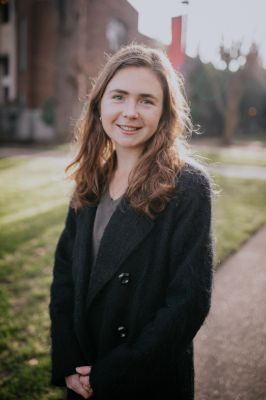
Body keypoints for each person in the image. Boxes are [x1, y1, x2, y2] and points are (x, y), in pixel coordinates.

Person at [49, 43, 214, 400]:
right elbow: (65, 276)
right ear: (99, 106)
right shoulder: (90, 179)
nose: (130, 112)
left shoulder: (187, 186)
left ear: (165, 112)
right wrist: (67, 360)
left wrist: (114, 372)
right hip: (82, 371)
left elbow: (188, 302)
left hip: (145, 377)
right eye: (119, 96)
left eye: (146, 100)